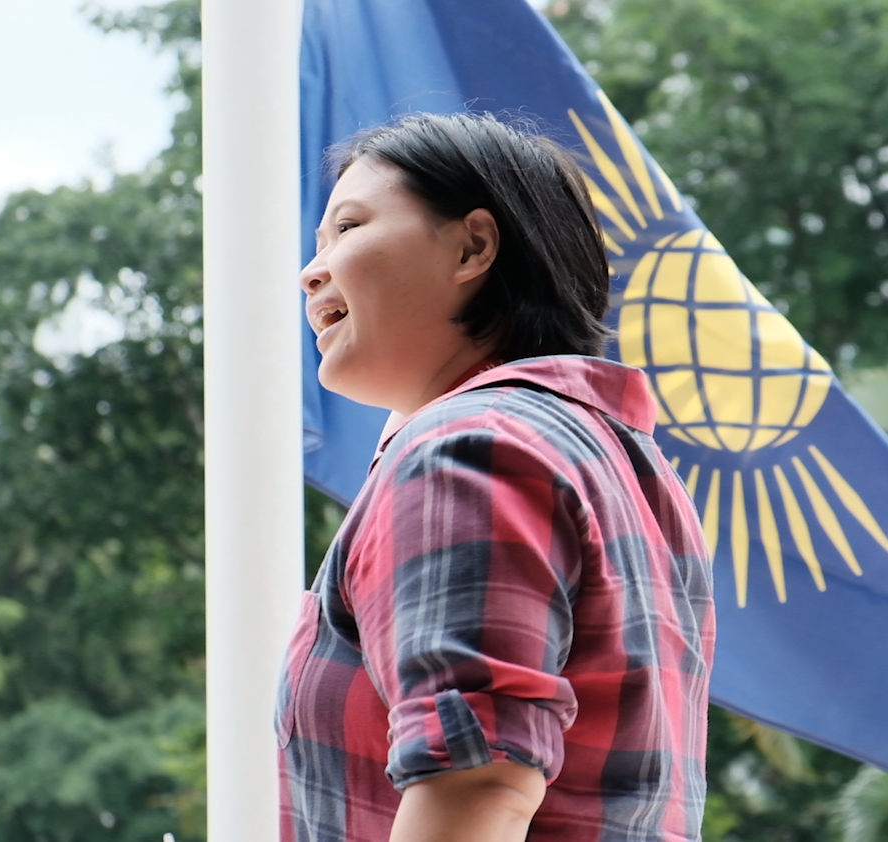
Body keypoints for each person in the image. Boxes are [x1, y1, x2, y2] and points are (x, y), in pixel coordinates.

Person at [280, 112, 716, 842]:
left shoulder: (465, 451)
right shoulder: (625, 463)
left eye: (349, 227)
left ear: (473, 246)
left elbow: (479, 782)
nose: (311, 270)